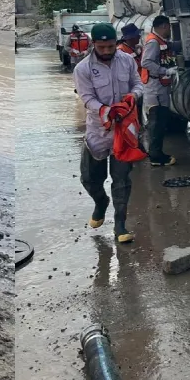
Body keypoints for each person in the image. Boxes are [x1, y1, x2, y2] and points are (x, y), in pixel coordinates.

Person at [74, 23, 143, 243]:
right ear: (94, 44)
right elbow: (86, 98)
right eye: (102, 47)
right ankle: (101, 202)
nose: (106, 51)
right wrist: (104, 110)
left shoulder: (127, 61)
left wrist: (133, 96)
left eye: (110, 46)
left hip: (123, 132)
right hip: (97, 131)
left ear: (116, 43)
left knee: (121, 180)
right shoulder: (82, 69)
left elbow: (138, 84)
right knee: (89, 179)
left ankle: (120, 225)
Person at [141, 14, 179, 166]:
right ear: (163, 26)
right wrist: (165, 71)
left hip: (160, 86)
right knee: (156, 121)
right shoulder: (153, 43)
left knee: (161, 120)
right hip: (155, 87)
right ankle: (156, 156)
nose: (170, 29)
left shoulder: (161, 41)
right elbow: (146, 62)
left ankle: (156, 154)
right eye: (169, 26)